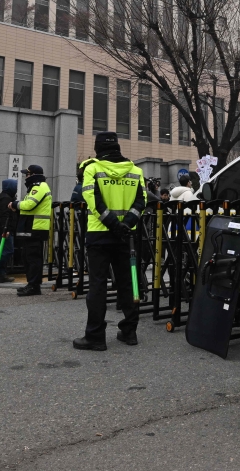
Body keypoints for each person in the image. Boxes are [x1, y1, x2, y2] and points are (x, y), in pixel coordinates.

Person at [73, 131, 147, 350]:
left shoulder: (92, 169)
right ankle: (129, 331)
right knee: (129, 283)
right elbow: (141, 201)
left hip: (99, 234)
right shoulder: (135, 170)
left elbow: (92, 200)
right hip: (127, 236)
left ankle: (95, 336)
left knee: (98, 285)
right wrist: (126, 224)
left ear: (98, 148)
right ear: (118, 147)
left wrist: (112, 224)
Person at [15, 165, 53, 296]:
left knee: (33, 259)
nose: (26, 176)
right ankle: (31, 284)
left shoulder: (39, 187)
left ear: (33, 175)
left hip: (36, 228)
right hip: (32, 227)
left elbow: (29, 205)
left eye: (27, 174)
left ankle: (34, 286)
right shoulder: (34, 187)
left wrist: (15, 204)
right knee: (28, 257)